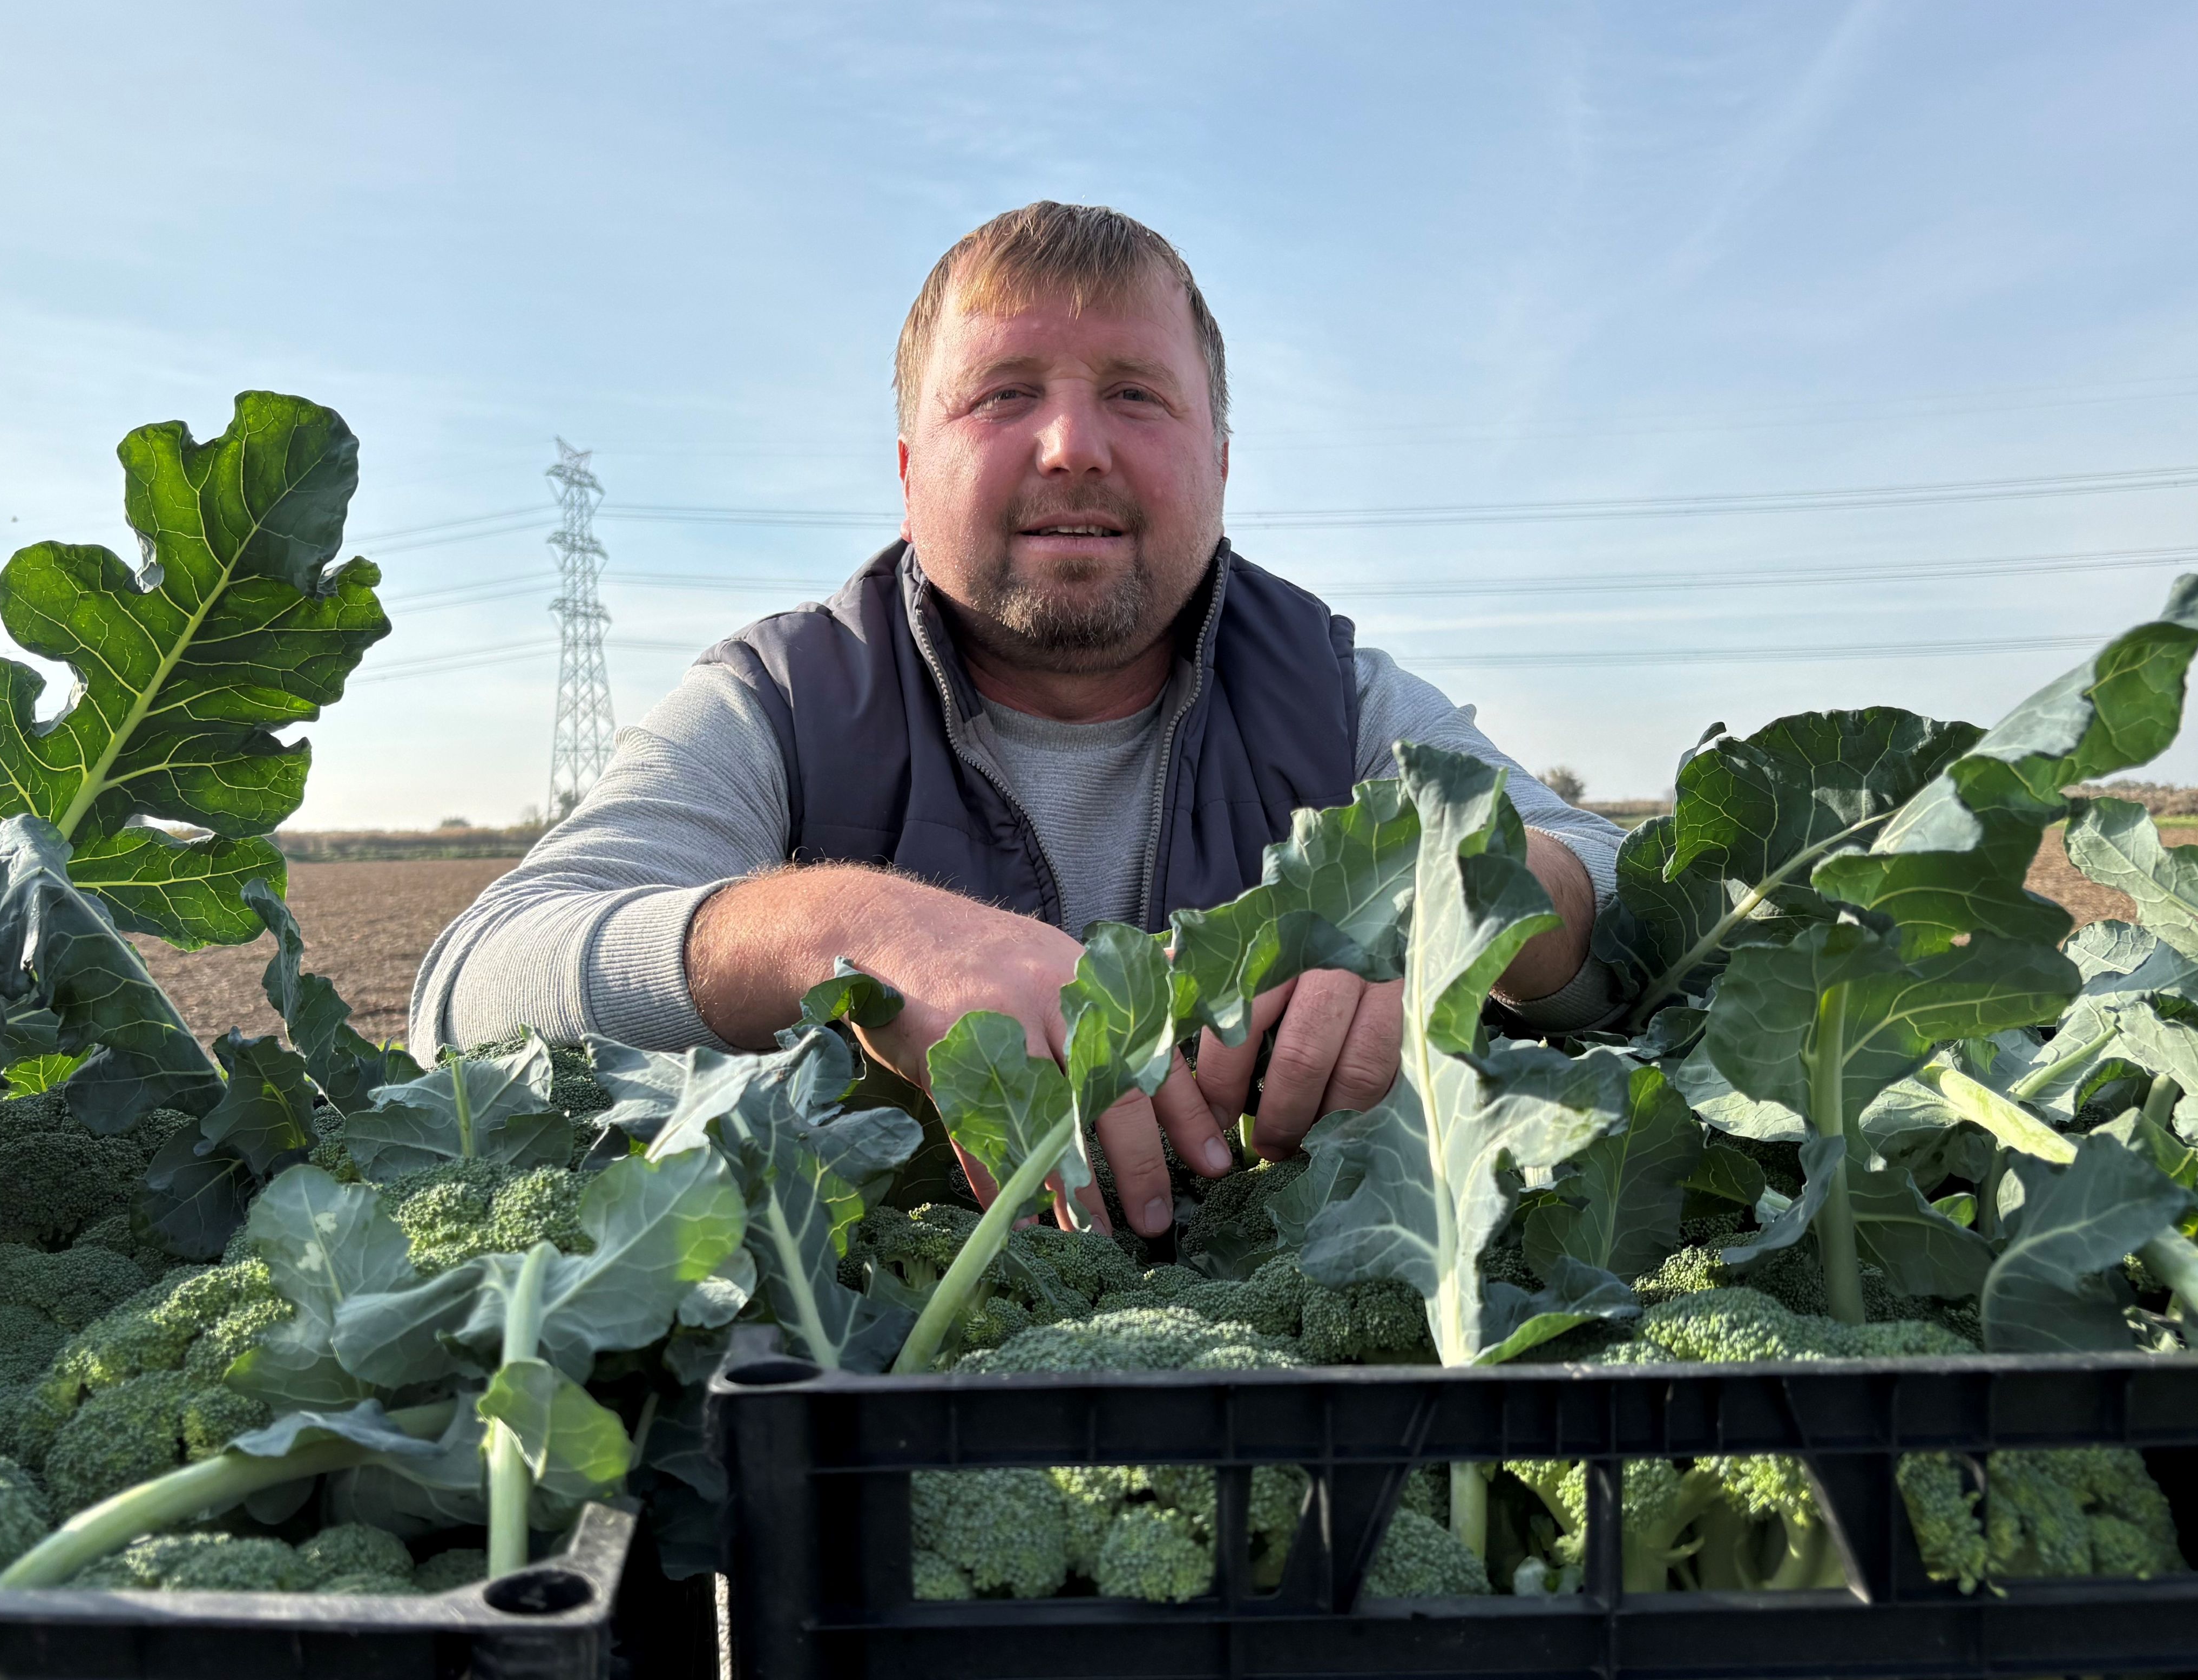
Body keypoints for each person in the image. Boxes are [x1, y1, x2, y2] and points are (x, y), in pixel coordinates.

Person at [408, 201, 1622, 1236]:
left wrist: (1446, 920)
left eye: (1137, 397)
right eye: (1003, 395)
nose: (1071, 447)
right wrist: (839, 929)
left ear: (1221, 460)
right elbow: (471, 988)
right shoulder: (780, 698)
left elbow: (1622, 882)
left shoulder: (1336, 696)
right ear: (905, 467)